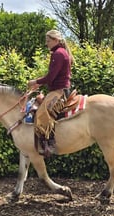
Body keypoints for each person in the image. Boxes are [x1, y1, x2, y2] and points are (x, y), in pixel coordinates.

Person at [28, 29, 74, 157]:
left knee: (42, 112)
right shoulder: (60, 52)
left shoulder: (58, 54)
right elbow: (52, 76)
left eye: (48, 41)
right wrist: (40, 83)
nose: (46, 43)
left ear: (56, 40)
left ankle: (50, 143)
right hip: (58, 89)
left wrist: (35, 81)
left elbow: (51, 76)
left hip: (59, 91)